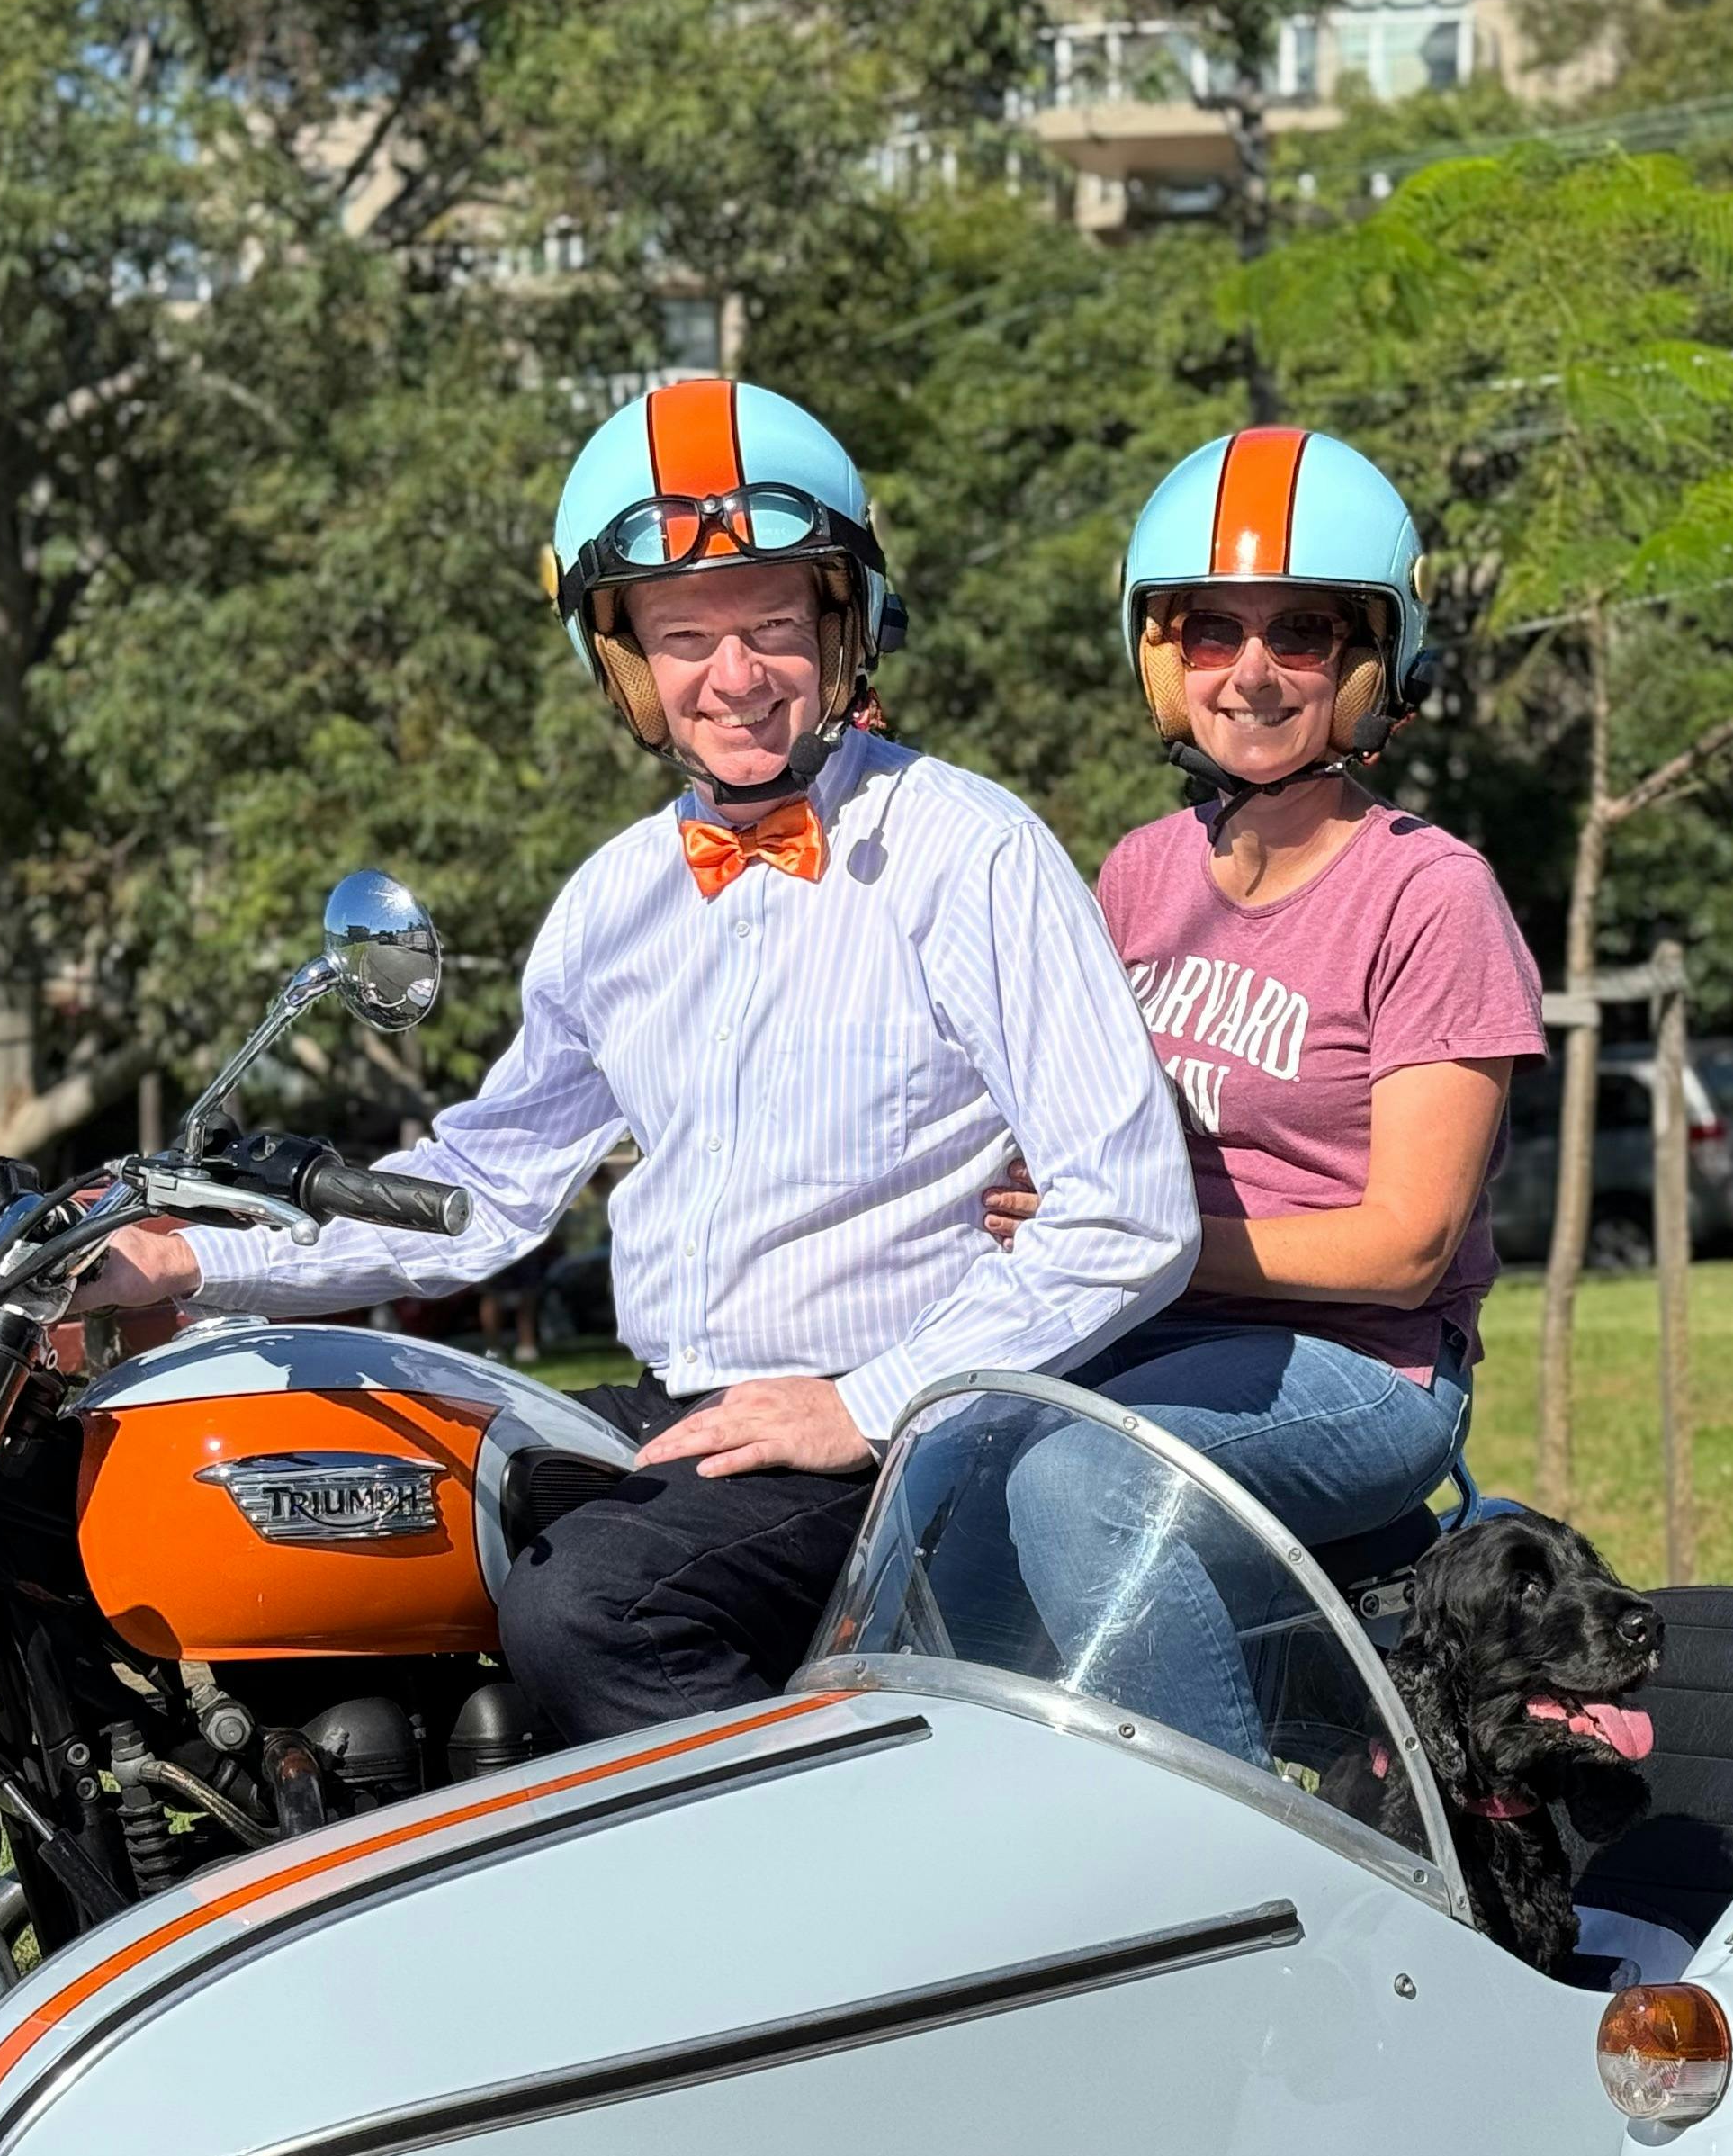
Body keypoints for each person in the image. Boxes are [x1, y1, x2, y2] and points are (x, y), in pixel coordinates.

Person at [81, 379, 1198, 1743]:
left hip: (906, 1432)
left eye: (774, 625)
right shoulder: (615, 898)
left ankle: (826, 1873)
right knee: (320, 1491)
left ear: (842, 629)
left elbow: (1127, 1212)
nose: (736, 677)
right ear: (624, 666)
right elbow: (486, 1189)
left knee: (594, 1611)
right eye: (684, 636)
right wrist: (194, 1260)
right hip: (684, 1401)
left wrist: (865, 1405)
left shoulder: (973, 853)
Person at [990, 426, 1544, 1757]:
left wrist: (1143, 1245)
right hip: (1146, 1338)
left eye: (1299, 633)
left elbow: (1406, 1249)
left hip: (1365, 1368)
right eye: (1210, 631)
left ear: (1370, 666)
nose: (1250, 671)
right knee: (926, 1464)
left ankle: (1225, 1845)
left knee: (1080, 1487)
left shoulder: (1431, 894)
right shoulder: (1139, 873)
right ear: (1161, 659)